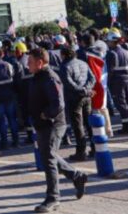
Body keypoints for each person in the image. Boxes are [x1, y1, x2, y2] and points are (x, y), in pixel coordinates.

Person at [28, 47, 88, 213]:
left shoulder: (50, 78)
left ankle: (53, 198)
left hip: (53, 124)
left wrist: (45, 114)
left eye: (30, 62)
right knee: (49, 156)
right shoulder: (37, 77)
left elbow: (58, 104)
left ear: (40, 63)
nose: (27, 65)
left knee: (48, 160)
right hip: (41, 124)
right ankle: (76, 175)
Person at [60, 45, 95, 161]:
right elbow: (92, 78)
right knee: (88, 123)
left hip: (74, 98)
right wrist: (87, 89)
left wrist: (82, 90)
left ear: (64, 55)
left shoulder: (65, 66)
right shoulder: (83, 63)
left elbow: (68, 83)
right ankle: (95, 147)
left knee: (78, 126)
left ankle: (81, 152)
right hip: (86, 96)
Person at [105, 31, 128, 134]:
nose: (107, 43)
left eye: (109, 41)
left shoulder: (111, 53)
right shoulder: (127, 52)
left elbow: (110, 70)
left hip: (117, 80)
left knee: (121, 103)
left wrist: (108, 83)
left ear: (113, 42)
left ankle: (127, 126)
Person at [0, 47, 19, 149]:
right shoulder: (9, 65)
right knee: (12, 119)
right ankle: (16, 141)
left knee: (2, 121)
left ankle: (4, 143)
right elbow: (14, 80)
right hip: (10, 96)